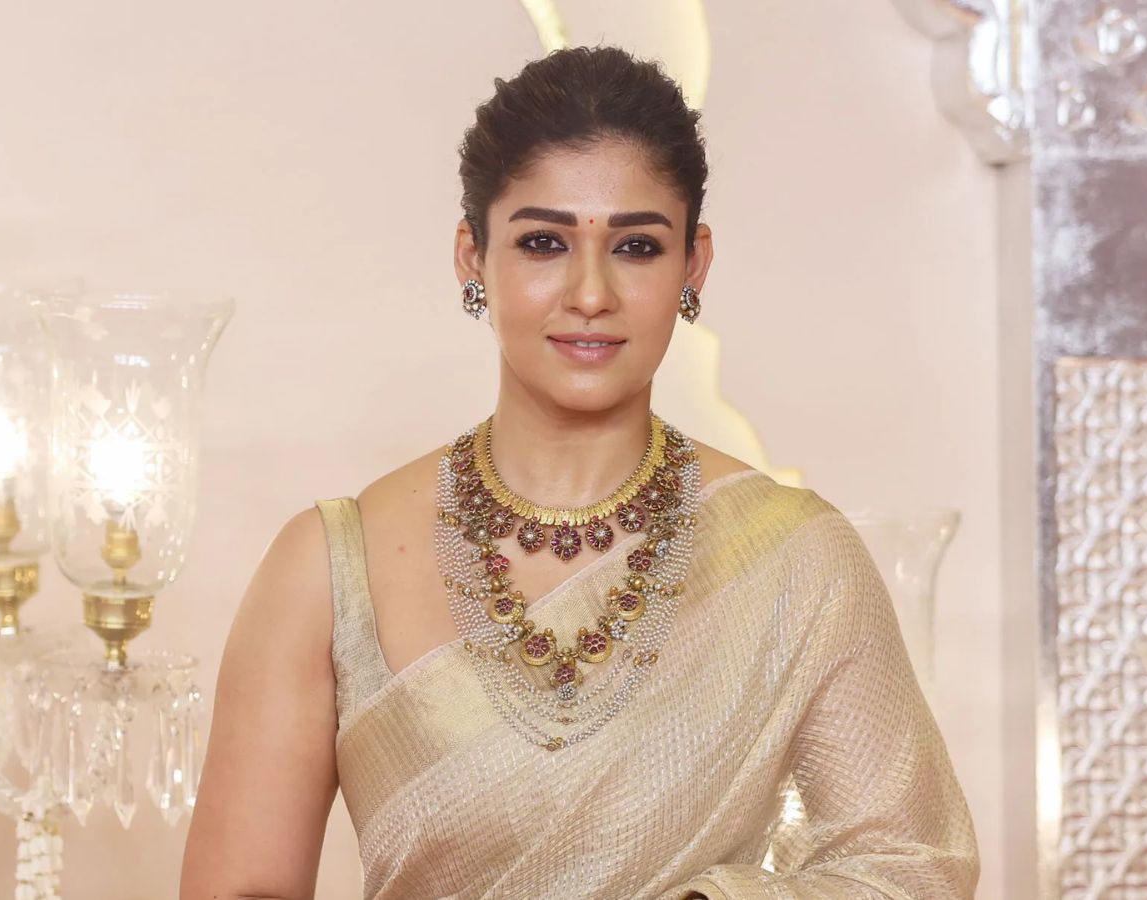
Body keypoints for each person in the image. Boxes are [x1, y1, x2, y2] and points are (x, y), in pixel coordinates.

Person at [180, 45, 979, 900]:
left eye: (636, 245)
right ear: (472, 257)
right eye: (543, 242)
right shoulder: (330, 569)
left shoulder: (795, 561)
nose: (591, 293)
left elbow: (913, 871)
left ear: (693, 265)